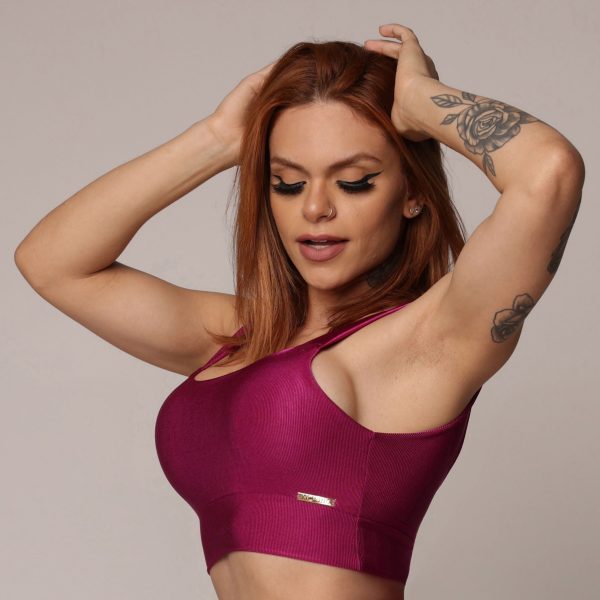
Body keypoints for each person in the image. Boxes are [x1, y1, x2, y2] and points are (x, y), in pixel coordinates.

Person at [14, 22, 584, 600]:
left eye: (355, 182)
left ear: (413, 193)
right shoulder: (240, 338)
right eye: (287, 183)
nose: (315, 208)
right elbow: (53, 263)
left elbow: (549, 172)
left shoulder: (430, 340)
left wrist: (418, 102)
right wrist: (217, 139)